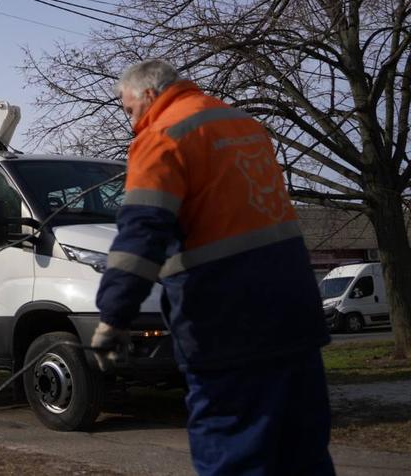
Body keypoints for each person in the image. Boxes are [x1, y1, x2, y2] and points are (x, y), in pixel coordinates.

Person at [90, 59, 333, 475]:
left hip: (225, 323)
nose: (131, 122)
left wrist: (112, 316)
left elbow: (139, 237)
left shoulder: (162, 135)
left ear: (149, 95)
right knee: (301, 452)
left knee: (234, 453)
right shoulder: (244, 125)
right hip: (295, 315)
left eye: (128, 110)